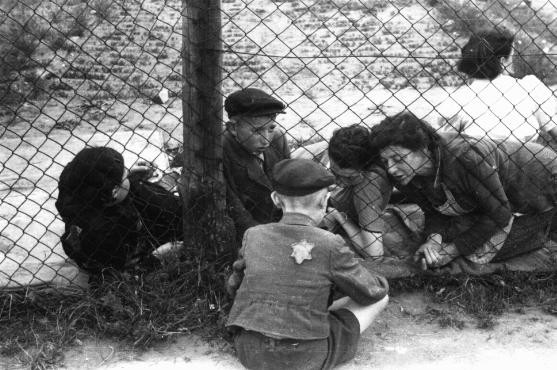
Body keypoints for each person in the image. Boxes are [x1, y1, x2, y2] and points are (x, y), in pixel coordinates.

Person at [226, 158, 389, 370]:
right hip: (304, 357)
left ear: (276, 199)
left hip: (250, 351)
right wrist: (378, 281)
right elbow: (371, 293)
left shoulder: (253, 235)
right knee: (380, 298)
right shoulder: (330, 243)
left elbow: (233, 285)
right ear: (324, 201)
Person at [369, 111, 557, 269]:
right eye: (386, 161)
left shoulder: (464, 157)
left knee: (476, 251)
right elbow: (433, 211)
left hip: (540, 180)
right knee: (461, 236)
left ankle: (545, 225)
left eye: (398, 159)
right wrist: (434, 240)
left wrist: (452, 251)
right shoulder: (407, 173)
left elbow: (500, 212)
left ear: (423, 148)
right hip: (500, 195)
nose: (391, 168)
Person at [56, 147, 183, 276]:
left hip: (107, 230)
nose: (128, 173)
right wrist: (157, 256)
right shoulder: (107, 234)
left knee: (142, 190)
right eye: (125, 174)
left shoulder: (79, 195)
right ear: (115, 191)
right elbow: (123, 276)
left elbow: (108, 186)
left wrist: (128, 177)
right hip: (124, 257)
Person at [435, 26, 557, 147]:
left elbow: (444, 145)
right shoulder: (530, 87)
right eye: (512, 56)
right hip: (527, 161)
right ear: (502, 62)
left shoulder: (455, 101)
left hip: (479, 162)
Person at [325, 125, 423, 260]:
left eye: (348, 177)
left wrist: (341, 218)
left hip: (334, 208)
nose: (337, 182)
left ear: (366, 168)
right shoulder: (380, 157)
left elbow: (374, 255)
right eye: (333, 171)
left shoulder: (366, 186)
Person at [223, 88, 291, 238]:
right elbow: (233, 206)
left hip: (280, 220)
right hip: (247, 230)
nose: (266, 139)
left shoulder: (278, 138)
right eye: (257, 131)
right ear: (233, 128)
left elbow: (288, 184)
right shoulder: (221, 149)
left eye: (271, 128)